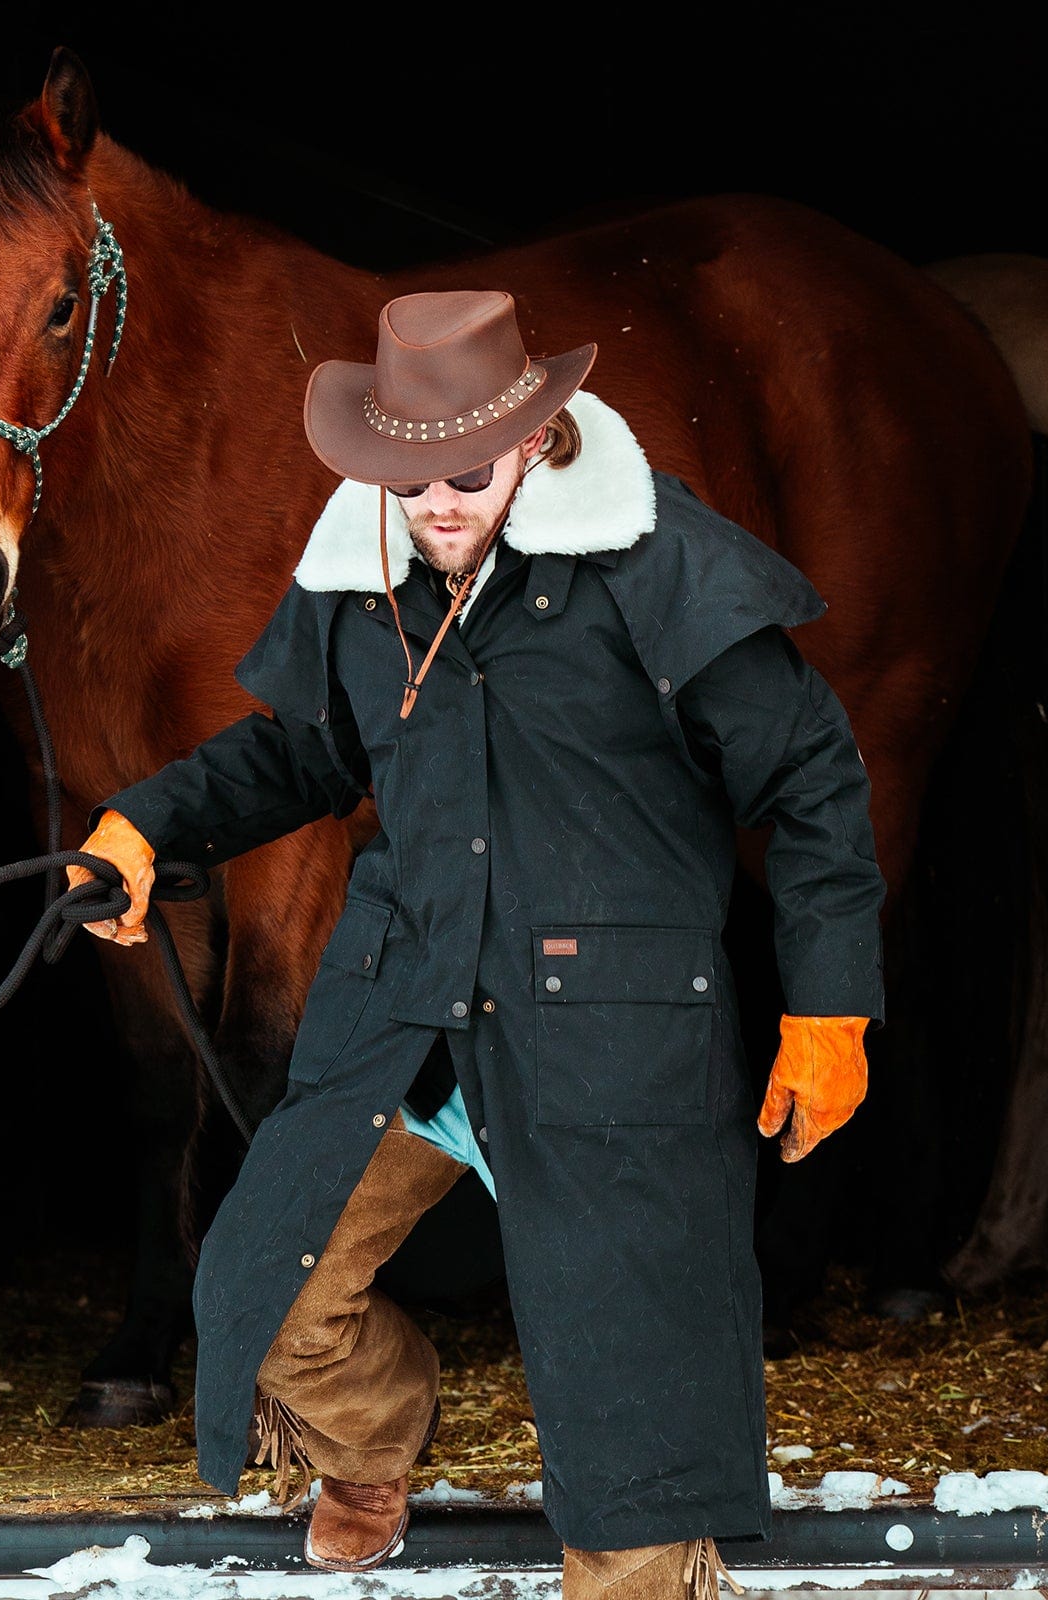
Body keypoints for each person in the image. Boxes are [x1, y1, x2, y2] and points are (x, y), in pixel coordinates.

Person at [67, 289, 886, 1598]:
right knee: (262, 1290)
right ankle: (374, 1443)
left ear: (534, 440)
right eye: (407, 480)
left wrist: (830, 1005)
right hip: (415, 1011)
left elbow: (814, 777)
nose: (436, 506)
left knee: (633, 1434)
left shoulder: (655, 558)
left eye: (463, 474)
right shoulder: (368, 574)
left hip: (610, 1030)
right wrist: (143, 826)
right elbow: (301, 754)